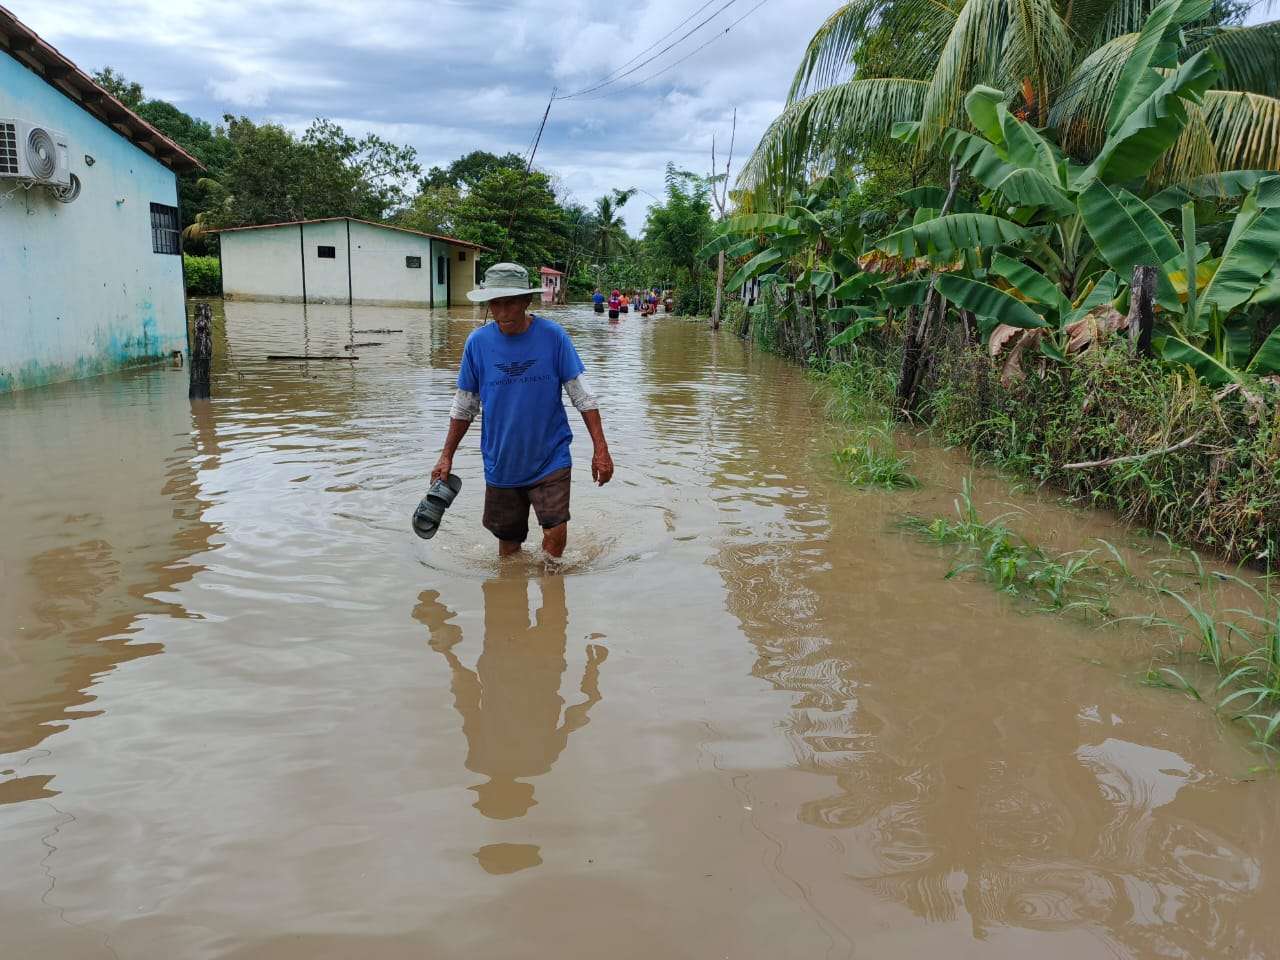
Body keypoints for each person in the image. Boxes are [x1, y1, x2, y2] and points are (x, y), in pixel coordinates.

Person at [432, 262, 614, 558]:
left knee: (556, 536)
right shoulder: (477, 344)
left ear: (526, 301)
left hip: (550, 457)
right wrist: (446, 456)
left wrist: (601, 449)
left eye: (510, 303)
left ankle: (552, 594)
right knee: (508, 547)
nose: (502, 312)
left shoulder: (553, 337)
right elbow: (465, 405)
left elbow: (583, 396)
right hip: (502, 460)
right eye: (496, 303)